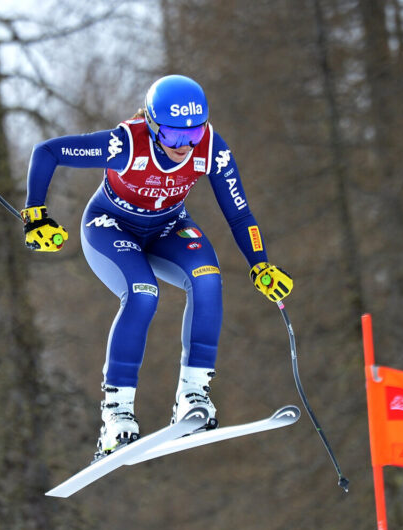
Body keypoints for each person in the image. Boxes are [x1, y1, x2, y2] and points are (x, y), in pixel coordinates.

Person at [21, 74, 293, 460]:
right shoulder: (125, 144)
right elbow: (47, 152)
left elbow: (239, 214)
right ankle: (116, 417)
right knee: (143, 295)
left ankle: (193, 395)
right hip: (110, 227)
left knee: (209, 279)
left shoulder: (211, 149)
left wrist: (260, 265)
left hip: (167, 227)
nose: (184, 146)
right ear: (151, 125)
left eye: (193, 134)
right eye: (172, 136)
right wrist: (36, 215)